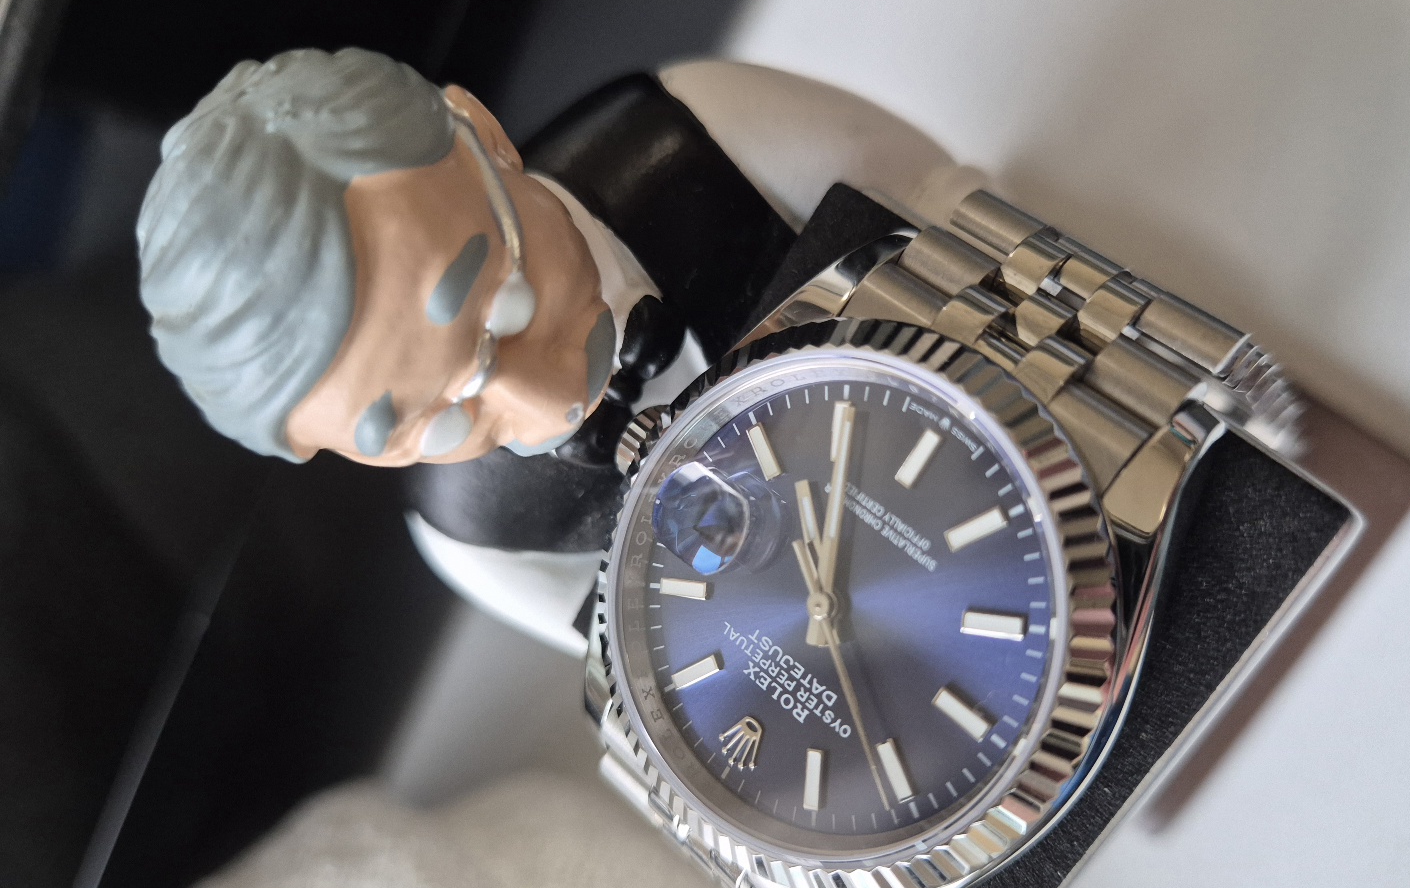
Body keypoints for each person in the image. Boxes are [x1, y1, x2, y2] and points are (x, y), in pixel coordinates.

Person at [137, 47, 981, 647]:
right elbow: (666, 696)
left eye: (504, 304)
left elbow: (954, 207)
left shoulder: (699, 137)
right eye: (437, 421)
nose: (547, 406)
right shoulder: (478, 536)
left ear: (483, 134)